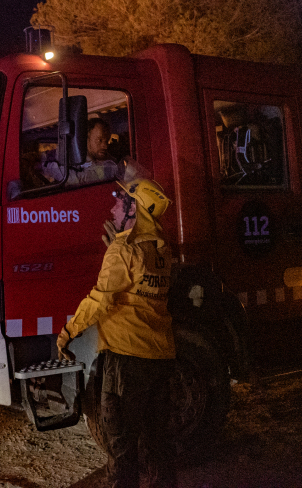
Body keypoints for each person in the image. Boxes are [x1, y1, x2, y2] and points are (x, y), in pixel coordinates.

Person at [57, 174, 176, 488]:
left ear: (136, 211)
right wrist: (119, 248)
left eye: (124, 202)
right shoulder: (163, 251)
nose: (116, 206)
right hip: (160, 359)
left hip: (126, 363)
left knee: (121, 450)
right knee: (158, 445)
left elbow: (100, 300)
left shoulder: (123, 250)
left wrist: (68, 332)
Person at [42, 118, 118, 185]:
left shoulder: (110, 163)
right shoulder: (72, 159)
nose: (105, 146)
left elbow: (78, 180)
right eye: (99, 140)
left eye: (107, 141)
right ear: (86, 138)